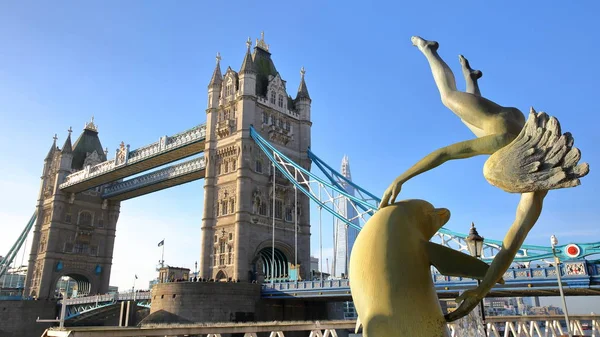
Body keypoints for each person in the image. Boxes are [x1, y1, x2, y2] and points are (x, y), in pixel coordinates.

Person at [380, 36, 588, 321]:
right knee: (448, 98)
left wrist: (482, 291)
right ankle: (429, 49)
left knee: (470, 119)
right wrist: (400, 179)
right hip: (504, 121)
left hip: (518, 121)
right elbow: (445, 153)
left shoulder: (537, 186)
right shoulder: (500, 138)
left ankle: (472, 79)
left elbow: (507, 248)